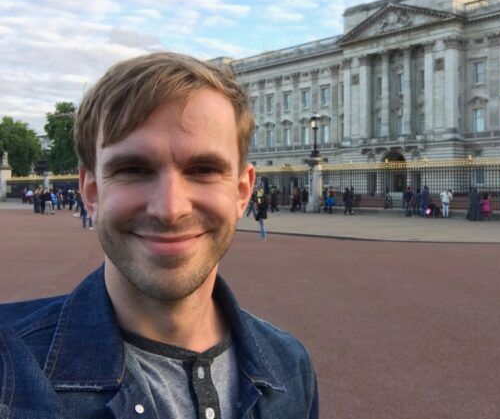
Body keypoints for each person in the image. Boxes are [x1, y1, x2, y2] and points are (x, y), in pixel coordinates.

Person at [0, 52, 318, 418]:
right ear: (92, 193)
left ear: (242, 192)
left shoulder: (292, 366)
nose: (170, 208)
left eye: (203, 169)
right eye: (134, 169)